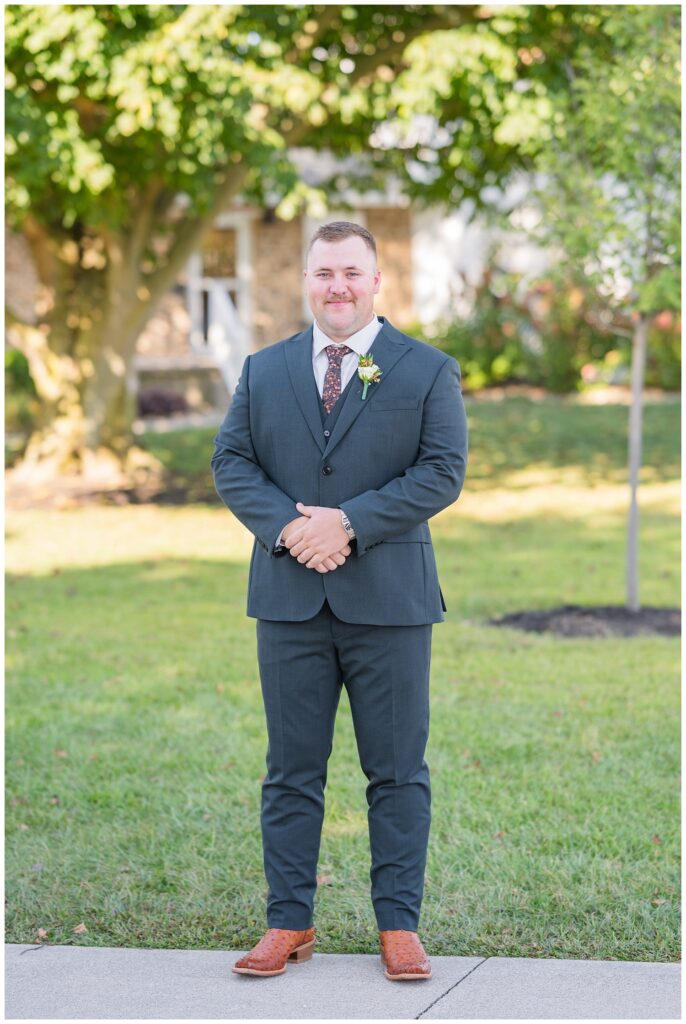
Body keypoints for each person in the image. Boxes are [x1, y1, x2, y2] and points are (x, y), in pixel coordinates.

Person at [210, 221, 468, 981]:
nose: (338, 287)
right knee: (290, 769)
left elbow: (441, 471)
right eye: (324, 273)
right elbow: (231, 461)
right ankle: (288, 922)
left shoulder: (426, 370)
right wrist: (294, 530)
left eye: (352, 273)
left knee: (397, 770)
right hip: (289, 599)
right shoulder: (264, 370)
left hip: (390, 601)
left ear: (377, 280)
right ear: (306, 280)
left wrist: (349, 523)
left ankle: (399, 926)